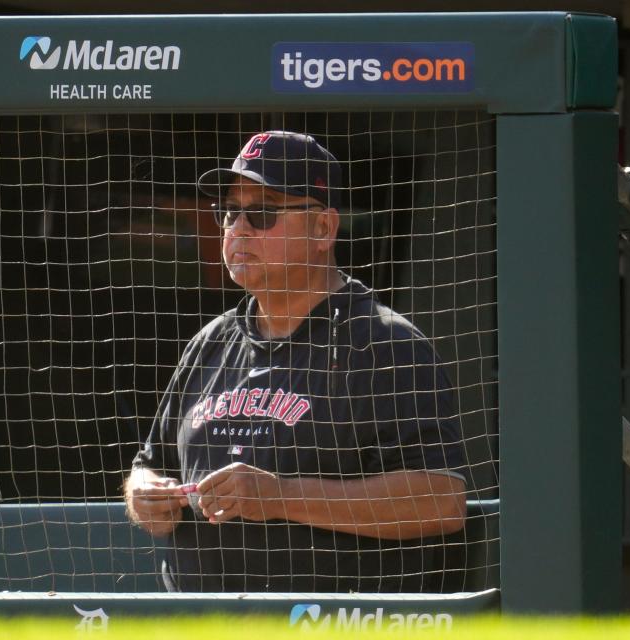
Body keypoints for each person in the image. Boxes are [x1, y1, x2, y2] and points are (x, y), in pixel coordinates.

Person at [124, 130, 467, 592]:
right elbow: (150, 462)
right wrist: (145, 495)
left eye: (263, 213)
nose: (238, 229)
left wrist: (280, 496)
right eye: (230, 212)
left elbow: (440, 502)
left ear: (324, 229)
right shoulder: (210, 342)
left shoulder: (385, 344)